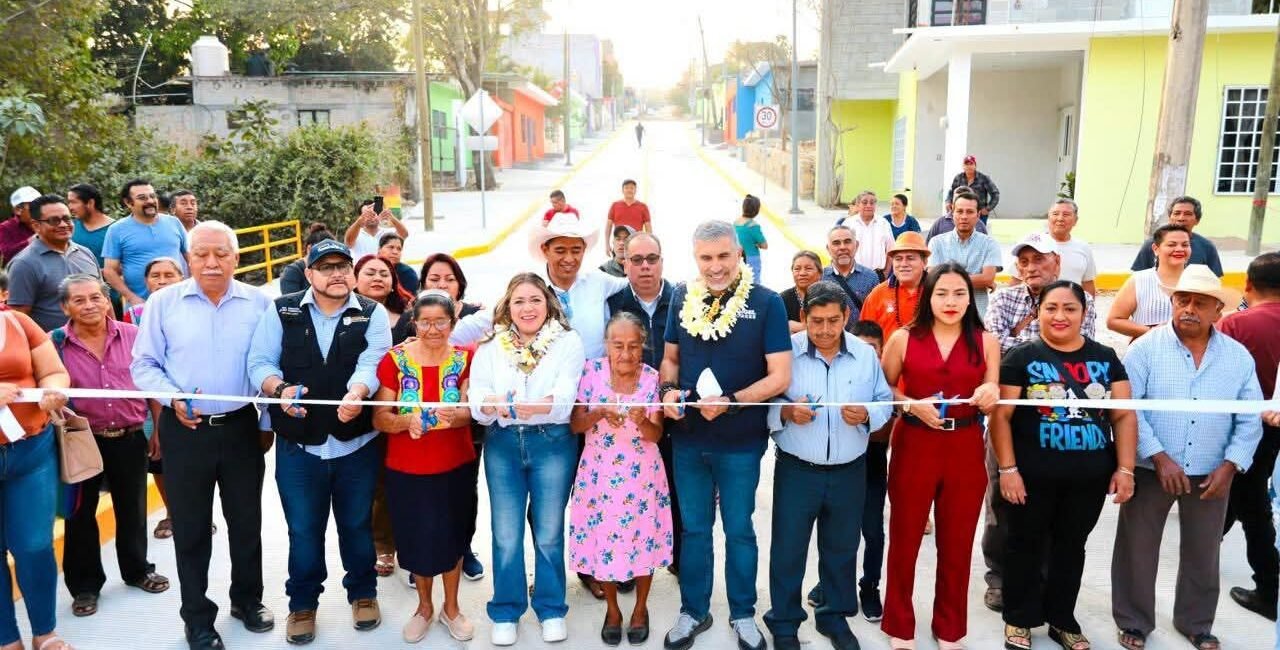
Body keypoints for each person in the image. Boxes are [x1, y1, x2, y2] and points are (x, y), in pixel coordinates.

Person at [130, 221, 275, 650]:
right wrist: (172, 398)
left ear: (236, 257)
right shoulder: (163, 303)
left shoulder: (258, 303)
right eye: (201, 255)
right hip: (185, 431)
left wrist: (265, 425)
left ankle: (247, 601)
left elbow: (268, 365)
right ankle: (197, 618)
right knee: (191, 530)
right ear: (187, 259)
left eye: (221, 254)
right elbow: (144, 365)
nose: (211, 263)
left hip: (241, 428)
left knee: (247, 523)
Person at [247, 239, 390, 644]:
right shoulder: (282, 310)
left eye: (343, 266)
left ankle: (363, 593)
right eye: (325, 267)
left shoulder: (372, 312)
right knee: (305, 531)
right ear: (309, 274)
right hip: (299, 449)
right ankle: (303, 604)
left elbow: (373, 360)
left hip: (356, 445)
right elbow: (259, 362)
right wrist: (280, 389)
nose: (337, 274)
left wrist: (358, 392)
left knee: (356, 526)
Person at [1113, 265, 1263, 650]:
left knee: (1203, 550)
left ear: (1218, 310)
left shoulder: (1237, 356)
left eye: (1200, 303)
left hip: (1212, 470)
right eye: (1182, 300)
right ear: (1171, 303)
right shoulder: (1145, 348)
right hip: (1152, 469)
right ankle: (1133, 621)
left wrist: (1230, 466)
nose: (1189, 309)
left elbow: (1250, 417)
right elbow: (1129, 409)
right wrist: (1159, 457)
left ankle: (1196, 623)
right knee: (1137, 548)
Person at [659, 220, 791, 650]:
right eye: (705, 258)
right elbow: (670, 361)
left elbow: (779, 376)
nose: (715, 267)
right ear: (695, 258)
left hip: (741, 442)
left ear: (739, 254)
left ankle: (743, 614)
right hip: (689, 440)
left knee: (739, 530)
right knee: (694, 531)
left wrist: (733, 400)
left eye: (722, 257)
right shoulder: (681, 295)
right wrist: (668, 392)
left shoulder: (767, 302)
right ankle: (693, 611)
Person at [990, 280, 1137, 650]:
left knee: (1072, 547)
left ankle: (1062, 619)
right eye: (1051, 308)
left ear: (1084, 314)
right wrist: (1008, 471)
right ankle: (1019, 619)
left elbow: (1123, 416)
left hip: (1089, 477)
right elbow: (1001, 418)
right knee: (1024, 544)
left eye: (1070, 308)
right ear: (1037, 312)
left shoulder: (1105, 357)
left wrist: (1125, 468)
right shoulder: (1021, 358)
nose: (1059, 316)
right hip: (1030, 477)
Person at [764, 282, 893, 650]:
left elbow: (885, 401)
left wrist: (868, 413)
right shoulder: (785, 352)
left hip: (849, 470)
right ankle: (785, 622)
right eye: (816, 321)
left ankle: (833, 616)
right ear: (803, 317)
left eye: (833, 321)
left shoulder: (865, 356)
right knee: (788, 549)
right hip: (797, 470)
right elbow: (765, 402)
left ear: (847, 317)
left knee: (841, 548)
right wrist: (786, 411)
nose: (824, 330)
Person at [878, 263, 1001, 650]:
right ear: (927, 296)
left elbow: (993, 389)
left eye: (960, 293)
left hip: (965, 446)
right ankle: (899, 625)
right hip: (915, 444)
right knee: (905, 537)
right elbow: (883, 392)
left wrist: (990, 392)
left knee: (957, 541)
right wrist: (911, 405)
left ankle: (949, 629)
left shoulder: (985, 341)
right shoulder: (903, 338)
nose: (951, 302)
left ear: (971, 297)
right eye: (942, 293)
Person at [980, 233, 1098, 610]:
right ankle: (999, 576)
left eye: (1040, 260)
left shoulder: (1084, 303)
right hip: (1008, 416)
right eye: (1024, 261)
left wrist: (1030, 351)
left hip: (1060, 419)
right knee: (1001, 498)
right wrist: (1041, 351)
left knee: (1051, 500)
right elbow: (995, 354)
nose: (1031, 267)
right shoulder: (1002, 299)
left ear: (1057, 263)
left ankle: (1043, 576)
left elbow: (1075, 358)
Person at [469, 273, 585, 647]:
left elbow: (565, 396)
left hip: (552, 443)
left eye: (535, 299)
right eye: (519, 301)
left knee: (550, 532)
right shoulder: (491, 345)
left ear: (548, 304)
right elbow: (478, 395)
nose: (527, 308)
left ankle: (551, 608)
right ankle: (506, 609)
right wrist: (493, 405)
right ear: (508, 305)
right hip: (502, 443)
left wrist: (534, 408)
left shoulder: (567, 342)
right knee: (506, 533)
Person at [54, 274, 170, 618]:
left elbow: (152, 386)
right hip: (80, 441)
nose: (89, 305)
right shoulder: (55, 343)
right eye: (79, 300)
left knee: (132, 509)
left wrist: (158, 431)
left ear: (108, 300)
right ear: (65, 307)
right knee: (79, 515)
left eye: (95, 297)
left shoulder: (134, 337)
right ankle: (85, 587)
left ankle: (137, 571)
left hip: (130, 436)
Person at [371, 290, 478, 643]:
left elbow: (471, 413)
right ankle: (424, 608)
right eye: (426, 322)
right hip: (407, 468)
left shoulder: (466, 359)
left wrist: (457, 416)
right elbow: (380, 419)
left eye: (441, 322)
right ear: (413, 323)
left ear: (453, 323)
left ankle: (451, 608)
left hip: (454, 465)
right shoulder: (394, 360)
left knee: (452, 537)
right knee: (416, 539)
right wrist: (407, 422)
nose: (434, 329)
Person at [569, 312, 672, 646]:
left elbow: (656, 435)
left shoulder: (652, 378)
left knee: (644, 541)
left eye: (633, 346)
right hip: (598, 475)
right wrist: (599, 411)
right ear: (606, 346)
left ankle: (640, 609)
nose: (626, 353)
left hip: (642, 477)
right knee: (604, 544)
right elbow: (575, 425)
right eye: (618, 345)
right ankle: (613, 610)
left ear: (643, 346)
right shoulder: (591, 372)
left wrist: (642, 420)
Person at [606, 232, 682, 575]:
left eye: (652, 258)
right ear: (625, 264)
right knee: (624, 497)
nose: (645, 266)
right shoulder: (613, 302)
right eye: (636, 260)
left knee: (677, 490)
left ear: (662, 260)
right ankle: (623, 564)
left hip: (675, 415)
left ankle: (677, 558)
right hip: (624, 423)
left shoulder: (684, 299)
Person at [0, 302, 74, 650]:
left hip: (30, 451)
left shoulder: (17, 322)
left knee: (34, 545)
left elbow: (53, 371)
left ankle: (45, 632)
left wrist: (53, 389)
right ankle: (6, 639)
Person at [409, 252, 485, 581]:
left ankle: (462, 549)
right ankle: (422, 557)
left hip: (464, 424)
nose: (442, 284)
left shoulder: (478, 316)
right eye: (434, 279)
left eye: (449, 279)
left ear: (460, 285)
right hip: (418, 428)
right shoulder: (412, 318)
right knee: (422, 496)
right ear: (422, 285)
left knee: (463, 491)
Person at [1219, 252, 1280, 621]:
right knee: (1242, 494)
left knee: (1250, 502)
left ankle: (1269, 589)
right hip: (1268, 424)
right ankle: (1208, 544)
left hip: (1249, 426)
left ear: (1247, 284)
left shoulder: (1236, 325)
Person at [116, 256, 185, 540]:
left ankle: (195, 512)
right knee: (159, 457)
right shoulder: (135, 315)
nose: (162, 280)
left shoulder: (193, 309)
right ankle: (172, 513)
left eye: (169, 274)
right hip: (151, 397)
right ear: (145, 281)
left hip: (189, 395)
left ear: (182, 277)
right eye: (155, 275)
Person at [5, 195, 101, 331]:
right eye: (54, 221)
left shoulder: (85, 253)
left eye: (67, 219)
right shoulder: (24, 264)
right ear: (36, 226)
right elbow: (18, 318)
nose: (63, 224)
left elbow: (104, 299)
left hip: (97, 344)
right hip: (54, 347)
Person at [102, 179, 188, 308]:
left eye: (152, 196)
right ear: (128, 203)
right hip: (140, 306)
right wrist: (132, 298)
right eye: (142, 198)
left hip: (177, 302)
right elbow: (109, 271)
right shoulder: (117, 230)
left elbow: (192, 258)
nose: (150, 201)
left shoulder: (174, 223)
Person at [1107, 224, 1192, 340]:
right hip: (1147, 352)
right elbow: (1114, 320)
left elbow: (1214, 319)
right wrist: (1153, 332)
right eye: (1172, 244)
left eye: (1185, 245)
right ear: (1156, 249)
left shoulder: (1198, 280)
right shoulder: (1139, 280)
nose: (1179, 249)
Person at [927, 189, 1001, 319]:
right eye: (960, 211)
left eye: (970, 212)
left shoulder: (990, 244)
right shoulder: (937, 243)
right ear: (952, 213)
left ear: (978, 215)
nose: (964, 216)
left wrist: (947, 277)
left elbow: (988, 278)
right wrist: (977, 279)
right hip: (943, 314)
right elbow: (934, 278)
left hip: (977, 315)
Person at [1130, 196, 1224, 276]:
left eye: (1187, 214)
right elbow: (1138, 279)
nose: (1181, 218)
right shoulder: (1152, 244)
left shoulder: (1206, 247)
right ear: (1170, 217)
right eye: (1177, 213)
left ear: (1197, 220)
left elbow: (1214, 282)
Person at [861, 232, 930, 337]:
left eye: (910, 258)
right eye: (898, 259)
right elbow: (864, 337)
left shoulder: (937, 292)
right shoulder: (877, 294)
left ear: (924, 262)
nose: (903, 264)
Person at [1040, 199, 1097, 294]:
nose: (1060, 218)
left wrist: (1089, 307)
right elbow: (1017, 280)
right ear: (1048, 218)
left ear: (1075, 220)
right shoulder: (1034, 244)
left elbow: (1087, 283)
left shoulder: (1083, 247)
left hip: (1071, 306)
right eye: (1055, 214)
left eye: (1066, 215)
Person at [822, 225, 880, 313]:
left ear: (856, 245)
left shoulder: (871, 277)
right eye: (836, 243)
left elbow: (877, 311)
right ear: (828, 248)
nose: (842, 247)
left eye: (847, 242)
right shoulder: (820, 277)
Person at [837, 191, 894, 276]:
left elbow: (891, 250)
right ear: (858, 204)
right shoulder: (848, 223)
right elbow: (840, 248)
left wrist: (885, 273)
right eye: (864, 202)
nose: (868, 205)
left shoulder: (884, 223)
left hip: (878, 274)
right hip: (853, 273)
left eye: (872, 203)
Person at [354, 254, 412, 331]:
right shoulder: (341, 312)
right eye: (370, 274)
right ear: (355, 280)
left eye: (384, 275)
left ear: (393, 283)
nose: (378, 278)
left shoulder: (409, 315)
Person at [280, 224, 336, 296]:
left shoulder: (333, 270)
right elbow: (290, 303)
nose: (328, 257)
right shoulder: (292, 272)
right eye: (322, 252)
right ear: (309, 249)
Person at [67, 184, 115, 267]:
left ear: (90, 203)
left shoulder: (115, 229)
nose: (70, 207)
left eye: (73, 202)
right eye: (69, 202)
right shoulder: (70, 227)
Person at [925, 185, 990, 242]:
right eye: (957, 199)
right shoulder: (939, 223)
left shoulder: (980, 225)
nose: (964, 216)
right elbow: (927, 248)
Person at [780, 250, 823, 333]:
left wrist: (800, 327)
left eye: (808, 268)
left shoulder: (830, 297)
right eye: (797, 269)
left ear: (820, 273)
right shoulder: (781, 299)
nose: (802, 273)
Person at [950, 155, 1000, 223]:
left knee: (979, 232)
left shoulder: (983, 178)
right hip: (962, 213)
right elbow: (951, 192)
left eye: (971, 164)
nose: (969, 166)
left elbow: (995, 194)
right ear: (963, 166)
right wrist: (948, 202)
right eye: (966, 164)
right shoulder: (958, 178)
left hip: (980, 215)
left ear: (975, 166)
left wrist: (987, 209)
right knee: (963, 232)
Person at [0, 186, 40, 263]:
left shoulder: (45, 223)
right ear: (18, 210)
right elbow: (7, 254)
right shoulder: (5, 227)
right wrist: (33, 240)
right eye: (34, 206)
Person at [735, 195, 768, 281]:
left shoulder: (735, 223)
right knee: (754, 284)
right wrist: (757, 244)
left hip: (737, 258)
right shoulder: (753, 226)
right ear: (756, 210)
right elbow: (764, 245)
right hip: (752, 259)